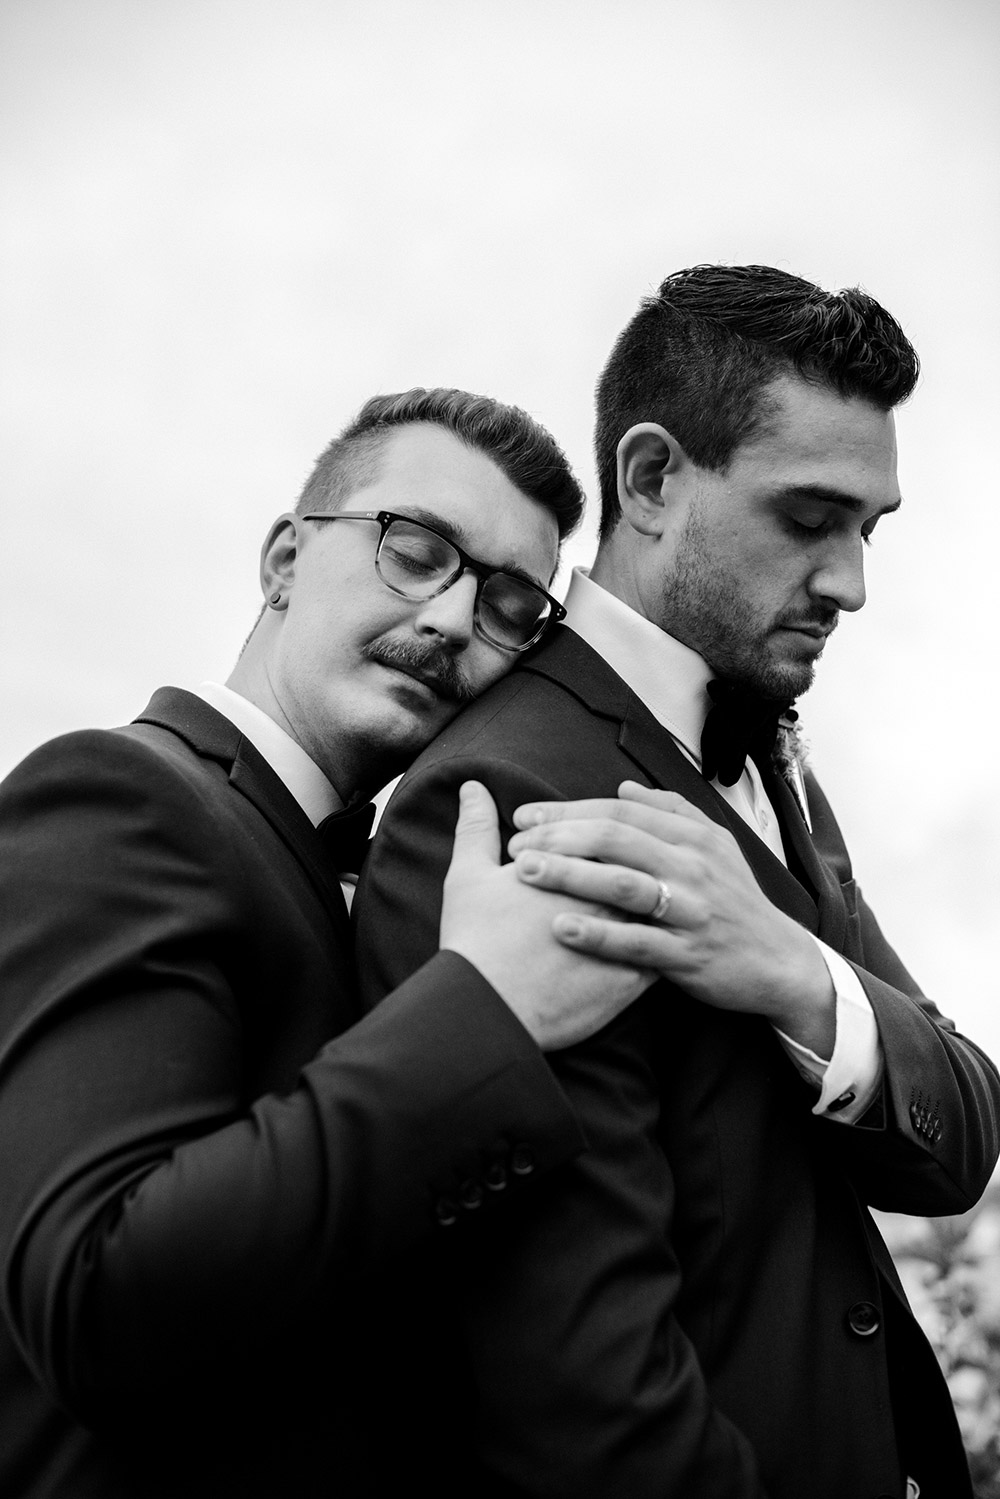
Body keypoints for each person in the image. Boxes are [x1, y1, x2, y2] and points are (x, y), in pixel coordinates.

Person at [355, 268, 1000, 1499]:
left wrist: (795, 973)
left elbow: (960, 1134)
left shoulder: (768, 749)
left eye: (871, 527)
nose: (852, 582)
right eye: (810, 518)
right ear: (651, 479)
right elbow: (585, 1400)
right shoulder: (506, 794)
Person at [0, 387, 661, 1498]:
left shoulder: (358, 880)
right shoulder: (116, 793)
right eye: (415, 550)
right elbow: (98, 1292)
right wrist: (485, 1007)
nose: (453, 620)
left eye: (509, 606)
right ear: (283, 561)